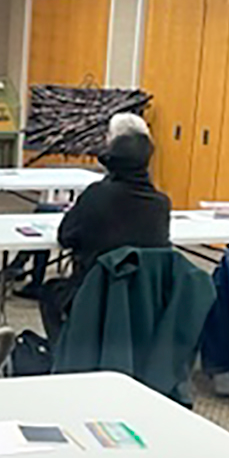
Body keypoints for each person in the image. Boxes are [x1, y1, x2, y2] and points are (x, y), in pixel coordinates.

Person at [38, 113, 171, 339]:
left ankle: (65, 352)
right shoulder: (161, 204)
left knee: (51, 292)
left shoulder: (96, 196)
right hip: (145, 298)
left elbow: (65, 237)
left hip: (96, 293)